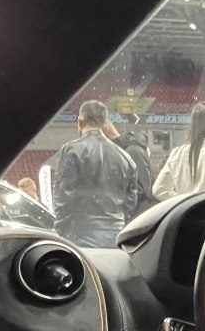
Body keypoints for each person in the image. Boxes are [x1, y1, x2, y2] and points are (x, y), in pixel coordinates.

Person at [52, 99, 141, 247]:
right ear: (106, 125)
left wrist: (61, 230)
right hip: (116, 234)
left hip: (81, 234)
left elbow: (63, 197)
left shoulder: (72, 151)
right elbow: (131, 202)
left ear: (80, 121)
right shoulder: (125, 157)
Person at [153, 101, 205, 201]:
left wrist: (182, 200)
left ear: (193, 124)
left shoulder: (176, 153)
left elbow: (158, 190)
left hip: (184, 213)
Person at [104, 120, 155, 213]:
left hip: (134, 219)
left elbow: (142, 192)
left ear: (105, 129)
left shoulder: (133, 151)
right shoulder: (113, 153)